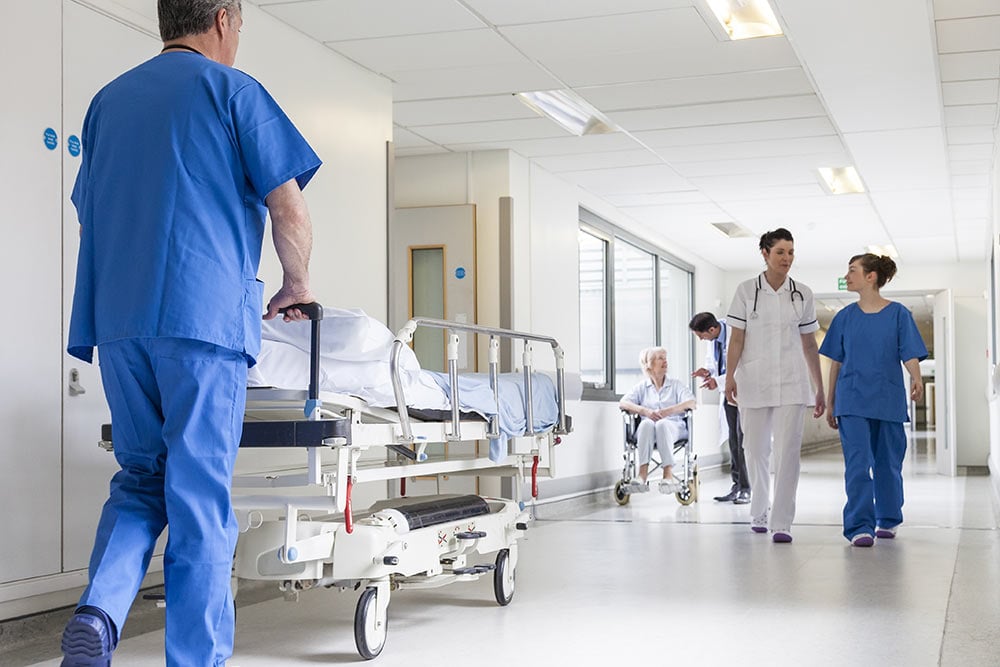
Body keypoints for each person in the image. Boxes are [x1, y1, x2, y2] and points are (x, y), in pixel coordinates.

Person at [61, 1, 322, 665]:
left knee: (141, 479)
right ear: (223, 19)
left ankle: (99, 609)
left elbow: (90, 223)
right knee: (199, 493)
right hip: (202, 324)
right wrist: (297, 284)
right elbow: (288, 208)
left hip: (119, 325)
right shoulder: (234, 90)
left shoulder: (106, 103)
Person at [724, 228, 825, 543]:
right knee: (754, 450)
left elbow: (809, 344)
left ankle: (781, 521)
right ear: (765, 254)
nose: (787, 258)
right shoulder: (745, 291)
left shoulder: (802, 293)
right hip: (753, 381)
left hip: (792, 382)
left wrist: (819, 386)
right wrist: (729, 377)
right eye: (781, 252)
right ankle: (759, 510)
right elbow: (737, 338)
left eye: (791, 252)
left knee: (788, 453)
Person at [819, 254, 927, 547]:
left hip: (887, 398)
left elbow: (909, 352)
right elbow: (836, 364)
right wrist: (830, 402)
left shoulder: (898, 314)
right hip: (851, 400)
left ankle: (888, 518)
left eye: (852, 271)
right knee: (857, 463)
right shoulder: (844, 317)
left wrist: (916, 377)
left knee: (888, 464)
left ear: (871, 277)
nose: (847, 276)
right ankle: (859, 526)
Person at [690, 312, 750, 504]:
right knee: (733, 441)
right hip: (728, 394)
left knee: (743, 441)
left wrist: (718, 380)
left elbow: (741, 366)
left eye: (701, 335)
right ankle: (736, 485)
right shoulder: (714, 340)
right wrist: (708, 373)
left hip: (743, 392)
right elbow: (719, 365)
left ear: (712, 329)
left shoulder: (736, 333)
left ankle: (747, 488)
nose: (701, 339)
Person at [619, 347, 697, 494]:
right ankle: (642, 474)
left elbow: (691, 403)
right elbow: (623, 403)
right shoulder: (642, 387)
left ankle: (668, 475)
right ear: (649, 364)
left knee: (662, 423)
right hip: (646, 432)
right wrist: (645, 411)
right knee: (647, 423)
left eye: (665, 357)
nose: (665, 361)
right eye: (660, 358)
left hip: (674, 428)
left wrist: (668, 411)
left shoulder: (676, 385)